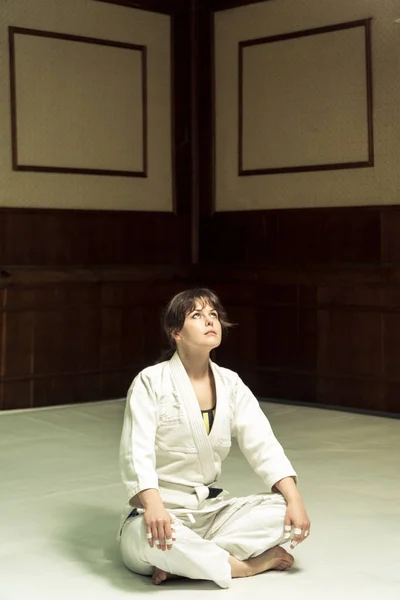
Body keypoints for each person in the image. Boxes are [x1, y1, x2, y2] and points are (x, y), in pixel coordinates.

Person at [118, 288, 310, 588]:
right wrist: (154, 506)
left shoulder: (230, 383)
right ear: (175, 332)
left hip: (211, 513)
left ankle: (187, 565)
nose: (210, 321)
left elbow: (263, 445)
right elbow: (136, 450)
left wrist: (295, 499)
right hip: (159, 513)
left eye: (214, 315)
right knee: (147, 540)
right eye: (197, 315)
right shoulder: (150, 381)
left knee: (282, 513)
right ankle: (245, 566)